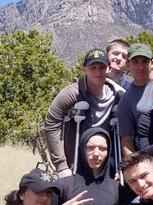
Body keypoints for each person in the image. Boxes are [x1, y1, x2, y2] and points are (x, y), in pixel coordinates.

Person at [44, 48, 124, 177]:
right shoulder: (70, 94)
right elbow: (51, 125)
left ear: (109, 68)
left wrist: (122, 167)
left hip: (104, 162)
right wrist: (61, 166)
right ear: (84, 69)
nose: (98, 72)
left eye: (102, 67)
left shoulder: (118, 95)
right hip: (74, 163)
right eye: (93, 67)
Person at [118, 43, 153, 156]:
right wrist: (134, 167)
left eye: (144, 61)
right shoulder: (126, 101)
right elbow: (126, 140)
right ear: (127, 64)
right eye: (135, 62)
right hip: (150, 155)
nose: (140, 67)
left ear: (152, 62)